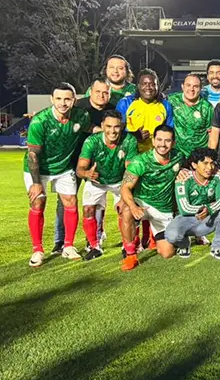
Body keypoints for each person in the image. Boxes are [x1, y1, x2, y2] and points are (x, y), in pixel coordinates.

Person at [24, 82, 93, 267]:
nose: (63, 103)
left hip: (63, 168)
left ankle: (68, 246)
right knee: (38, 202)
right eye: (59, 99)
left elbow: (91, 128)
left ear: (74, 100)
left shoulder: (81, 116)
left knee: (71, 201)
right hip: (39, 169)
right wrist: (36, 183)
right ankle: (37, 250)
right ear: (52, 99)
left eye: (67, 99)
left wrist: (111, 132)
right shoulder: (40, 121)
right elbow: (32, 155)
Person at [54, 77, 116, 253]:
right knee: (65, 200)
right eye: (98, 92)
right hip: (72, 161)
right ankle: (60, 241)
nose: (101, 95)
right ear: (91, 91)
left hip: (99, 163)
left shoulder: (112, 110)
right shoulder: (78, 107)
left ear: (110, 93)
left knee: (96, 201)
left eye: (105, 92)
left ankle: (93, 239)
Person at [118, 124, 184, 271]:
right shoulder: (140, 161)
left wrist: (183, 172)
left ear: (173, 143)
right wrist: (133, 207)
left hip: (163, 208)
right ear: (153, 141)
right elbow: (125, 187)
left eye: (167, 141)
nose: (163, 144)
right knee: (126, 210)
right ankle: (130, 255)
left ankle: (160, 238)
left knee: (167, 253)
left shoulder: (179, 157)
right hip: (142, 203)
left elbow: (188, 170)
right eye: (159, 140)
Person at [76, 110, 138, 260]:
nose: (112, 131)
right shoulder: (92, 141)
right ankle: (94, 246)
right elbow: (79, 169)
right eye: (109, 126)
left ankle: (127, 245)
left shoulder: (129, 140)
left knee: (126, 210)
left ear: (121, 126)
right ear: (102, 126)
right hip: (97, 182)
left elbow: (130, 170)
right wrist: (87, 174)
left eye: (116, 127)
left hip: (120, 181)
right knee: (88, 209)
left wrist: (125, 193)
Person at [161, 148, 220, 260]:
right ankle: (184, 244)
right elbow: (184, 208)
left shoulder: (218, 177)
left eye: (212, 163)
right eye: (205, 163)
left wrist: (208, 209)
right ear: (194, 165)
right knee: (171, 236)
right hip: (186, 219)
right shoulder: (184, 179)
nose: (210, 167)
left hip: (208, 218)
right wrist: (203, 209)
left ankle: (217, 247)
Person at [116, 68, 175, 154]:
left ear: (157, 86)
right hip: (131, 154)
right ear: (138, 86)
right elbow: (116, 130)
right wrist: (134, 135)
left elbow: (170, 132)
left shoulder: (165, 105)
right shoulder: (125, 103)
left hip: (155, 155)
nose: (148, 87)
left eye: (152, 84)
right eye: (144, 83)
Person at [169, 74, 214, 158]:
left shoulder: (207, 107)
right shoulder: (172, 100)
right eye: (188, 85)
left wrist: (209, 157)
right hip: (177, 154)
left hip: (199, 156)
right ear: (182, 86)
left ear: (200, 89)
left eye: (195, 86)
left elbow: (211, 134)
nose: (191, 89)